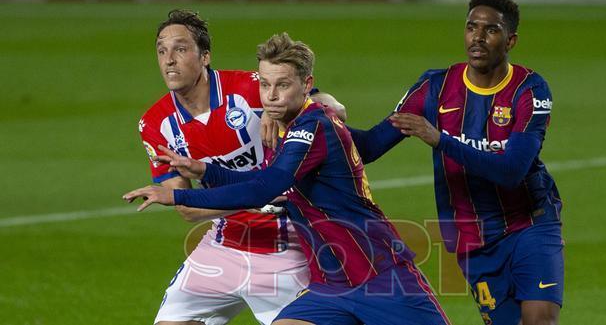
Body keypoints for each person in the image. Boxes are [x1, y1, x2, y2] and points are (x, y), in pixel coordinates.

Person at [125, 33, 451, 325]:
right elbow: (362, 147)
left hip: (379, 275)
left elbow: (265, 187)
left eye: (282, 85)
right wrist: (204, 170)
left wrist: (177, 195)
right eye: (265, 85)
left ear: (307, 85)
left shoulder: (312, 127)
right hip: (330, 286)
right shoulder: (285, 129)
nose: (270, 96)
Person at [347, 0, 563, 325]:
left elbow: (512, 170)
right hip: (471, 236)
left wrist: (439, 139)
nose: (478, 37)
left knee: (539, 319)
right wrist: (318, 118)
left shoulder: (529, 90)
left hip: (528, 223)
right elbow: (371, 146)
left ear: (511, 40)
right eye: (471, 27)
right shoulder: (435, 87)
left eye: (490, 30)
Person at [139, 10, 345, 325]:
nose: (169, 60)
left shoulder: (250, 89)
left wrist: (279, 111)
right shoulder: (155, 123)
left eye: (180, 49)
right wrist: (255, 197)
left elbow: (335, 109)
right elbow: (187, 209)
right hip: (221, 249)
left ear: (204, 56)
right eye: (161, 50)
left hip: (286, 249)